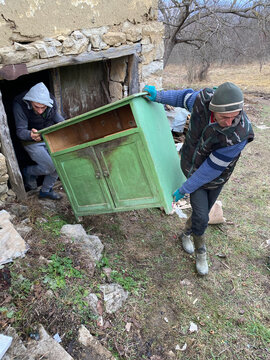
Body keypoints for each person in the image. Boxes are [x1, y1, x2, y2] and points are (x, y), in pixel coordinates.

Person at [143, 82, 254, 275]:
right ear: (213, 109)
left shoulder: (240, 134)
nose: (229, 122)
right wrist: (158, 96)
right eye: (224, 117)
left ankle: (186, 233)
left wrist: (183, 189)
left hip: (216, 176)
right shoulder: (203, 101)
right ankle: (201, 251)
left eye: (234, 116)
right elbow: (182, 98)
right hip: (192, 169)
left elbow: (211, 169)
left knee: (204, 211)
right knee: (202, 215)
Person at [13, 82, 64, 200]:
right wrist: (30, 134)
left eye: (44, 107)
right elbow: (20, 131)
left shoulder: (51, 101)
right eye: (37, 107)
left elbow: (58, 119)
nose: (40, 111)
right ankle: (28, 172)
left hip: (48, 137)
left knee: (59, 162)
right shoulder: (19, 105)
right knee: (50, 166)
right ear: (30, 101)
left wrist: (64, 126)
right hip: (31, 140)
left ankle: (46, 190)